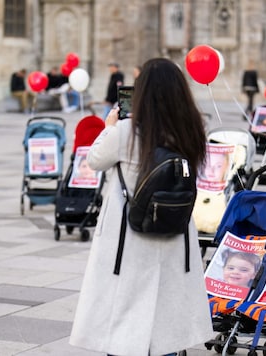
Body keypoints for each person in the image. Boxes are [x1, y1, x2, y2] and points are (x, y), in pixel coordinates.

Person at [70, 58, 212, 355]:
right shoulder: (192, 130)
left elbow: (94, 160)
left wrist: (109, 127)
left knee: (123, 321)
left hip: (129, 235)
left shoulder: (126, 132)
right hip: (174, 230)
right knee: (165, 322)